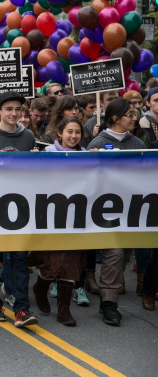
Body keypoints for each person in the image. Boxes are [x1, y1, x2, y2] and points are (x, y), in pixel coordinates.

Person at [0, 91, 38, 327]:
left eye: (18, 109)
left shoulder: (28, 136)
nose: (14, 113)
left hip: (19, 205)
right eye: (9, 109)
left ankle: (22, 308)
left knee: (20, 257)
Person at [87, 98, 146, 325]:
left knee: (124, 254)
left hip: (133, 210)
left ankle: (109, 289)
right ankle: (108, 303)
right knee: (115, 252)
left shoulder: (138, 144)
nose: (134, 118)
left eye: (134, 114)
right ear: (115, 118)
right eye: (130, 114)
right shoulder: (98, 142)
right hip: (105, 210)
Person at [33, 118, 91, 326]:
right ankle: (41, 285)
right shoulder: (47, 153)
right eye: (69, 131)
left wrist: (102, 161)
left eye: (77, 132)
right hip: (52, 214)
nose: (73, 136)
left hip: (77, 215)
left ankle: (64, 310)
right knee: (54, 260)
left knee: (72, 261)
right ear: (60, 133)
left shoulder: (86, 156)